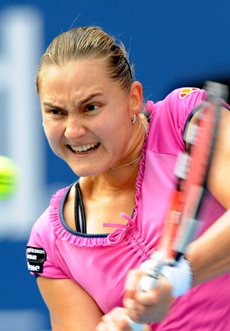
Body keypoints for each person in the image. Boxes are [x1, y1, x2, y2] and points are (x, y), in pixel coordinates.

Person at [26, 26, 230, 330]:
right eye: (56, 112)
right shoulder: (50, 244)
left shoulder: (184, 120)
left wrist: (178, 273)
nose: (73, 131)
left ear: (133, 99)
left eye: (90, 107)